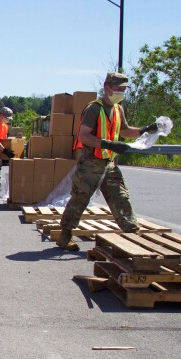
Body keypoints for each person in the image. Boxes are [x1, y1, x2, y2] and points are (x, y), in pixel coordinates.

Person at [56, 72, 160, 251]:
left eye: (123, 89)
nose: (121, 92)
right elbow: (84, 136)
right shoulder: (94, 108)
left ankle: (132, 233)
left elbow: (125, 131)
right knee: (80, 198)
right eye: (118, 89)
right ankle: (65, 235)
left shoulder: (118, 109)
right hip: (91, 163)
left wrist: (145, 130)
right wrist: (108, 144)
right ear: (107, 88)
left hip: (109, 164)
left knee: (120, 197)